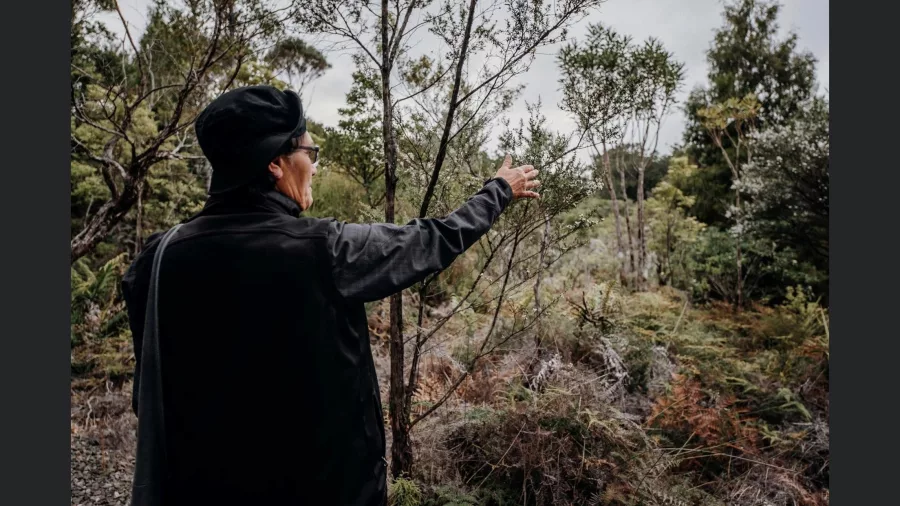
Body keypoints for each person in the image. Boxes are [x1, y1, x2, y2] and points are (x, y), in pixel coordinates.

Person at [121, 85, 540, 506]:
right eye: (309, 153)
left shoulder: (155, 262)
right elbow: (431, 240)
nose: (315, 168)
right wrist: (497, 192)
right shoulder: (324, 250)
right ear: (274, 164)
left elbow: (148, 396)